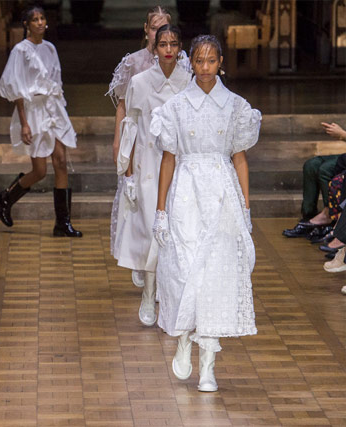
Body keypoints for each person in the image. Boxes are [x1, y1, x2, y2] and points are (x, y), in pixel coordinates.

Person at [152, 35, 260, 392]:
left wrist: (245, 207)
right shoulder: (177, 107)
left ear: (221, 62)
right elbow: (168, 159)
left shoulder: (236, 107)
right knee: (184, 270)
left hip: (222, 195)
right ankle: (185, 337)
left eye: (211, 61)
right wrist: (161, 210)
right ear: (191, 63)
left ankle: (209, 365)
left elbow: (239, 158)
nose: (205, 67)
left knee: (217, 277)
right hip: (186, 194)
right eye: (199, 60)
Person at [113, 24, 190, 327]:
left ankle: (170, 295)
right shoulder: (141, 82)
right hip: (148, 166)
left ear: (180, 47)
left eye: (173, 44)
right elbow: (130, 128)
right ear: (154, 48)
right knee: (150, 231)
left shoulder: (189, 82)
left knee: (178, 232)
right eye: (163, 44)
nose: (168, 49)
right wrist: (128, 174)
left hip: (181, 167)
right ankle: (148, 291)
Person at [107, 6, 190, 260]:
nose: (158, 34)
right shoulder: (134, 62)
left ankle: (163, 263)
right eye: (154, 28)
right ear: (146, 30)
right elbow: (124, 105)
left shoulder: (181, 62)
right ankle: (141, 258)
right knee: (139, 206)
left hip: (170, 144)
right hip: (142, 140)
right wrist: (118, 140)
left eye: (164, 28)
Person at [0, 5, 81, 237]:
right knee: (40, 170)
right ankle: (6, 197)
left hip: (52, 107)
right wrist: (24, 122)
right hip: (33, 110)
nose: (40, 22)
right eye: (35, 19)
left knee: (61, 161)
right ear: (27, 24)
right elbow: (16, 87)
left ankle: (62, 223)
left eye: (43, 18)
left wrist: (61, 110)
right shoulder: (20, 51)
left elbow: (56, 80)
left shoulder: (50, 48)